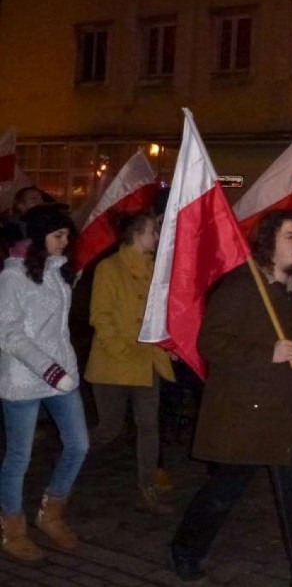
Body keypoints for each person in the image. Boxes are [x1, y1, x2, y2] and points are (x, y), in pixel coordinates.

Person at [170, 210, 292, 585]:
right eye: (290, 236)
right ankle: (186, 547)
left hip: (288, 415)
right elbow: (211, 343)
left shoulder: (290, 288)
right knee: (225, 490)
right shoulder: (241, 286)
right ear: (269, 243)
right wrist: (265, 354)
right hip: (249, 414)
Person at [0, 204, 88, 561]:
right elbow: (9, 333)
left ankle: (50, 513)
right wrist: (50, 369)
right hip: (23, 379)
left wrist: (62, 369)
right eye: (58, 235)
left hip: (61, 377)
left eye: (66, 235)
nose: (65, 242)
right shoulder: (12, 278)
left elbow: (58, 329)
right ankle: (11, 527)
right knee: (19, 456)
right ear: (38, 237)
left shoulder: (54, 271)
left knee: (78, 445)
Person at [85, 212, 176, 515]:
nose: (157, 235)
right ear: (139, 233)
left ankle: (146, 487)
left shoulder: (156, 269)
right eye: (153, 230)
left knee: (149, 426)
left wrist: (169, 343)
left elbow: (162, 314)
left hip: (148, 361)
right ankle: (73, 459)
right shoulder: (109, 268)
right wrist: (123, 349)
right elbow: (101, 316)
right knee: (109, 427)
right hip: (113, 363)